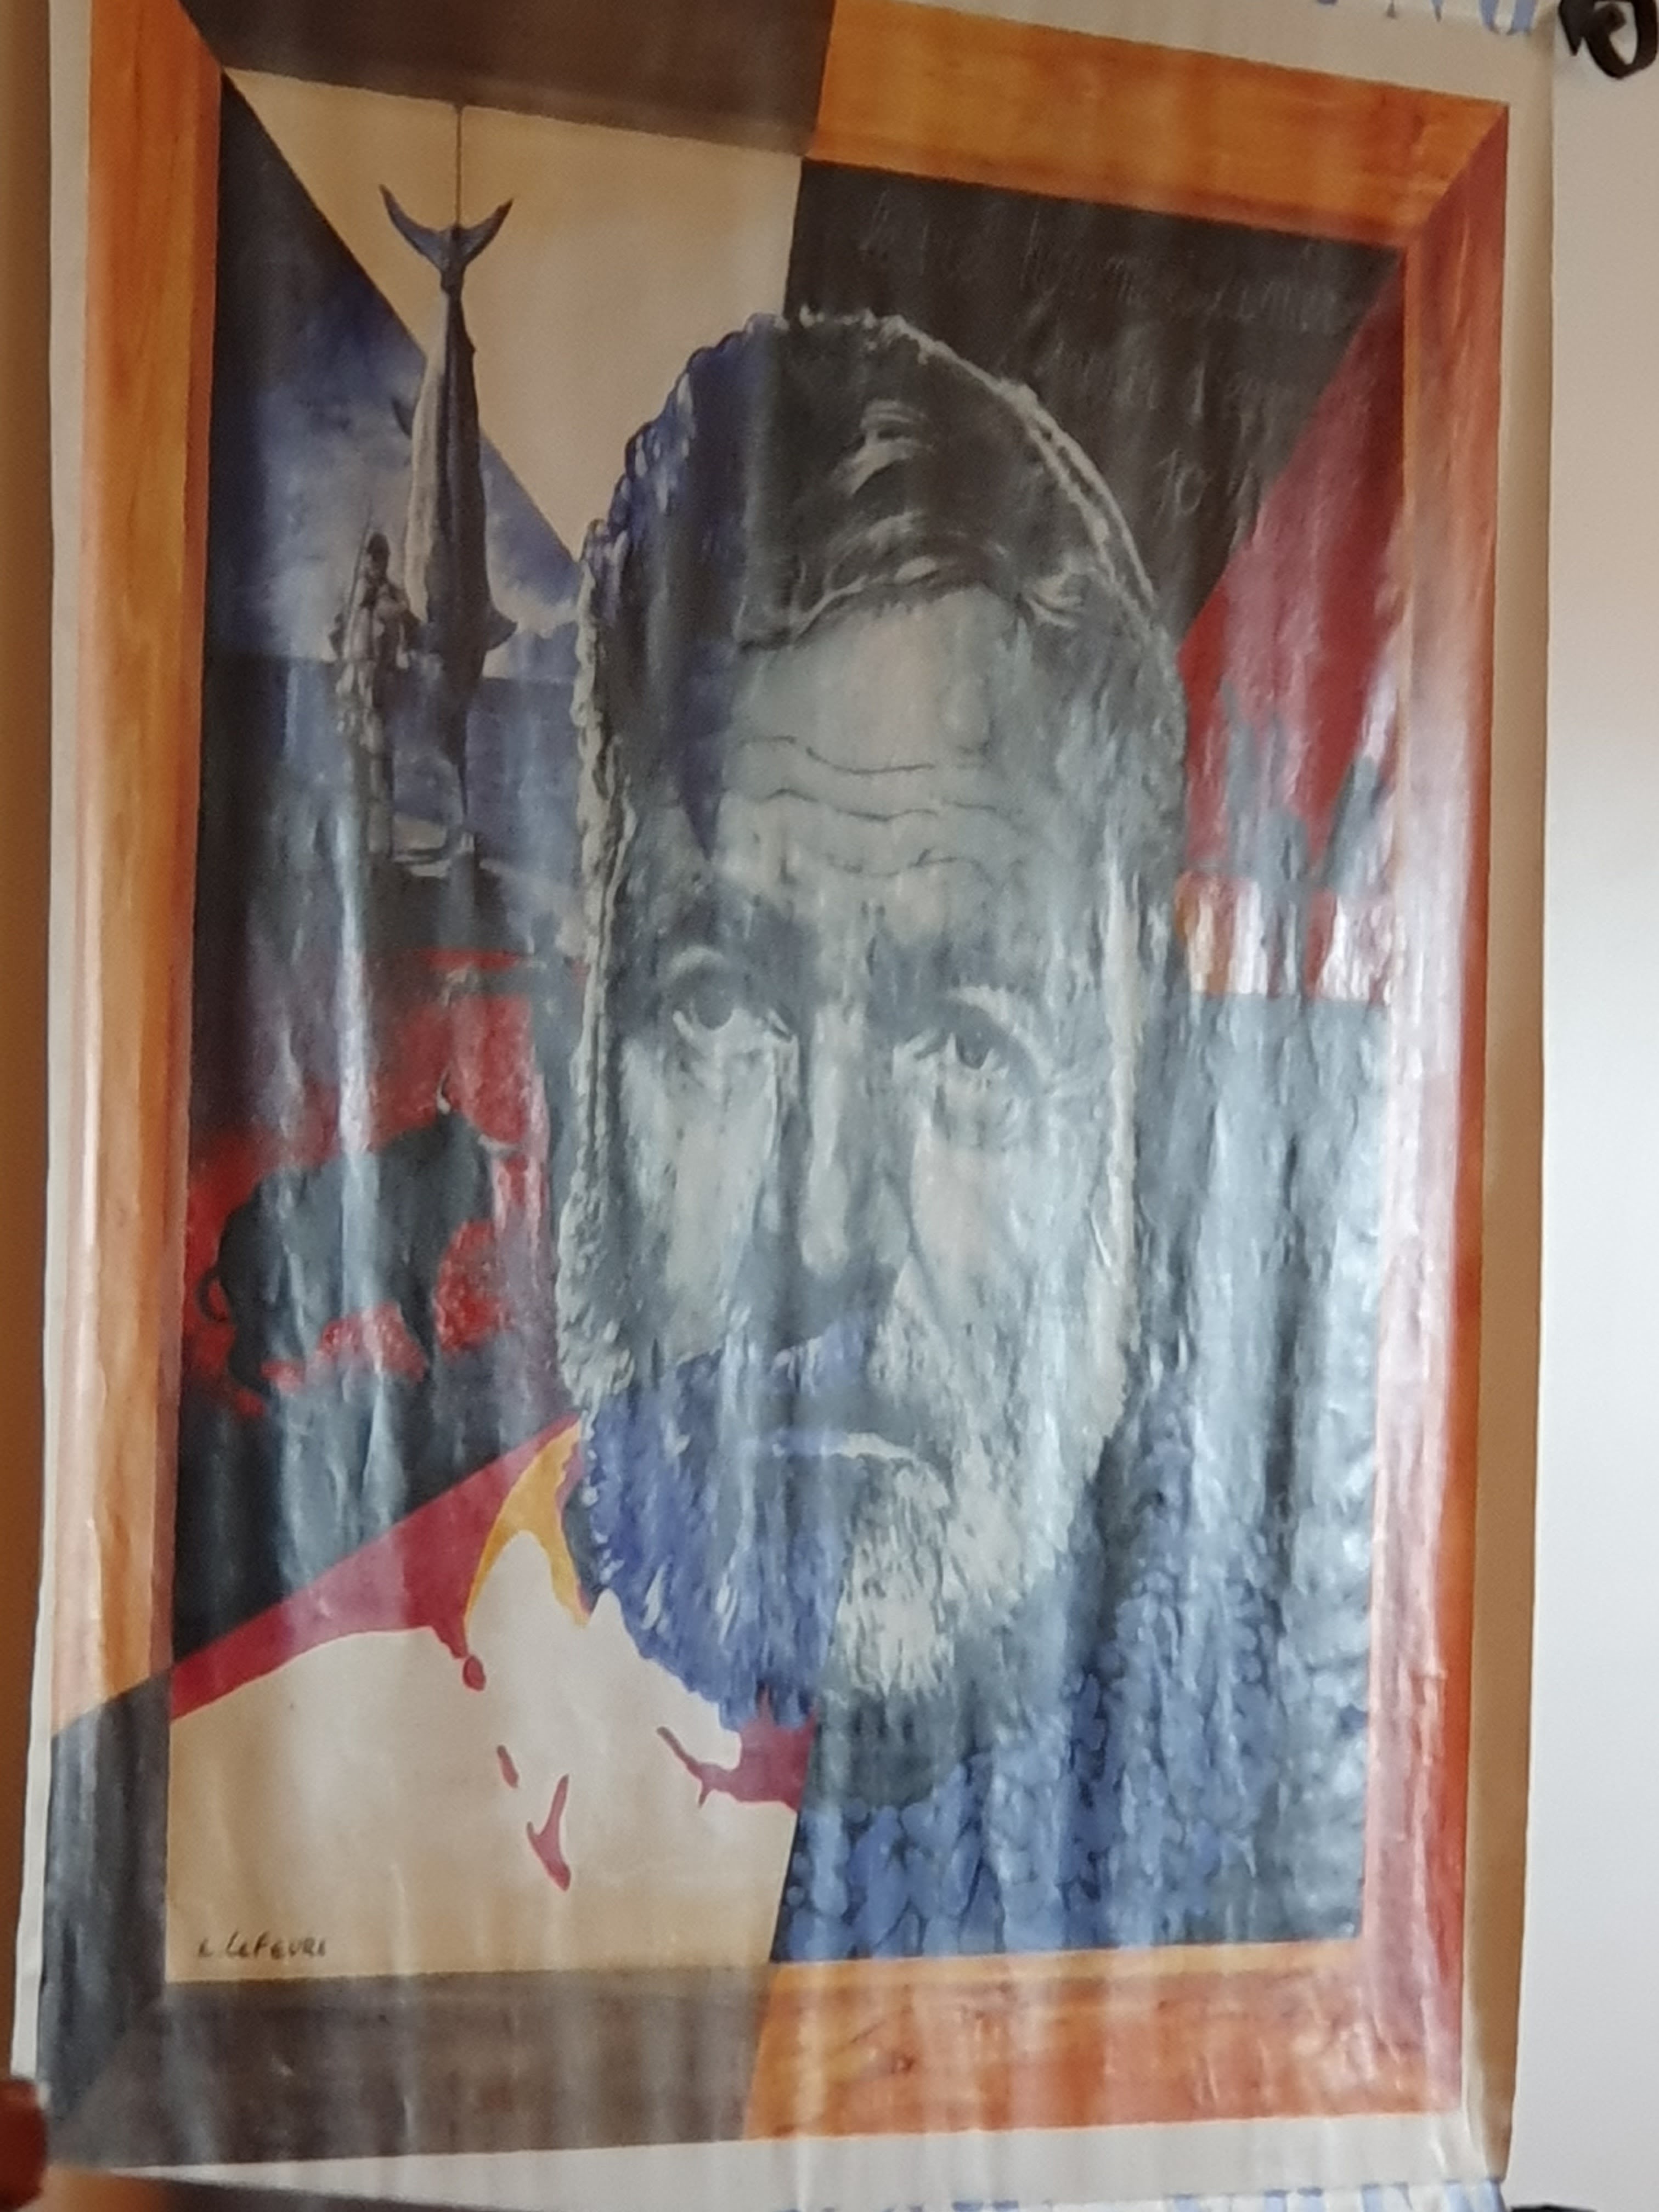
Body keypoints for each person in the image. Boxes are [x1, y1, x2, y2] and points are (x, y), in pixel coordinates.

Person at [551, 311, 1362, 1961]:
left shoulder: (1299, 1831)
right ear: (588, 1037)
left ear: (1145, 1087)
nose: (827, 1231)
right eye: (719, 1007)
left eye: (972, 1044)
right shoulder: (386, 1726)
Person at [330, 529, 413, 861]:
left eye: (380, 557)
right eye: (371, 557)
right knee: (354, 772)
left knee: (380, 770)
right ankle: (358, 842)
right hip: (352, 692)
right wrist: (345, 621)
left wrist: (375, 601)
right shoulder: (352, 595)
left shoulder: (392, 597)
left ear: (386, 561)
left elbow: (401, 619)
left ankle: (384, 844)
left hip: (378, 692)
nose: (375, 563)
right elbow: (339, 639)